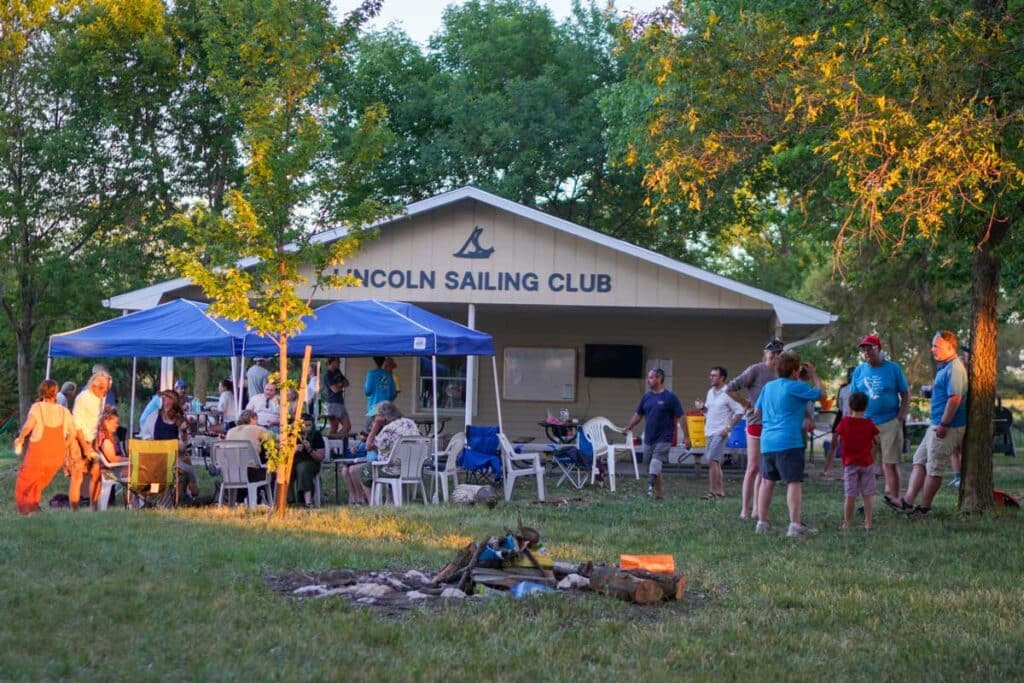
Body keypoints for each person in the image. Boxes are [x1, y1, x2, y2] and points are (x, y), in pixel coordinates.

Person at [888, 330, 967, 516]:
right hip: (936, 424)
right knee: (919, 461)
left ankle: (924, 508)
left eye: (936, 346)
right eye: (933, 345)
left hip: (947, 426)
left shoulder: (955, 368)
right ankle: (907, 502)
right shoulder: (945, 366)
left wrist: (945, 424)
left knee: (934, 468)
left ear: (950, 346)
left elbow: (955, 398)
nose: (932, 349)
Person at [753, 350, 823, 537]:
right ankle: (794, 525)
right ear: (794, 371)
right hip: (789, 442)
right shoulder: (795, 386)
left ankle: (762, 522)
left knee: (767, 482)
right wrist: (814, 374)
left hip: (767, 442)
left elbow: (757, 411)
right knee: (793, 482)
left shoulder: (768, 387)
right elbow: (820, 394)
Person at [850, 334, 910, 507]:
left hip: (889, 422)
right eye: (863, 349)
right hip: (865, 423)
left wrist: (900, 416)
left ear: (879, 349)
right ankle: (866, 500)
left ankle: (895, 499)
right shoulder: (859, 371)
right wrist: (853, 419)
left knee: (890, 463)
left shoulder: (892, 368)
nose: (867, 352)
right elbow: (854, 397)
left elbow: (905, 393)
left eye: (870, 348)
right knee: (865, 464)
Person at [727, 339, 784, 519]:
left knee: (764, 467)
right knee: (752, 466)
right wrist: (745, 402)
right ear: (765, 353)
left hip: (774, 424)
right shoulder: (756, 370)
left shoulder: (782, 374)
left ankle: (757, 509)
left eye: (778, 352)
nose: (775, 355)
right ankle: (745, 508)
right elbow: (730, 388)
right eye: (772, 352)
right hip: (755, 421)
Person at [623, 368, 689, 500]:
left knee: (656, 462)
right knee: (653, 467)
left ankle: (649, 488)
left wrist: (687, 437)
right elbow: (638, 414)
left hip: (664, 437)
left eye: (651, 378)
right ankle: (659, 495)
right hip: (649, 438)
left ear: (659, 379)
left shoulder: (670, 397)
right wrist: (629, 427)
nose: (648, 380)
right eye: (648, 378)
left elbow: (681, 417)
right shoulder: (646, 397)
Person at [13, 380, 77, 514]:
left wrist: (20, 438)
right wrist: (63, 446)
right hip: (56, 457)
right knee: (37, 484)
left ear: (41, 391)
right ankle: (34, 508)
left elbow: (28, 427)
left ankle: (25, 512)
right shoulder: (64, 411)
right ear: (56, 392)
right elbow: (73, 433)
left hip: (38, 455)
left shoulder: (37, 407)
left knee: (24, 483)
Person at [341, 400, 418, 505]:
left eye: (377, 416)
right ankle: (390, 500)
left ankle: (373, 504)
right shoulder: (410, 423)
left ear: (383, 416)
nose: (375, 418)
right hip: (413, 468)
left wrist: (376, 425)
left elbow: (368, 446)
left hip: (394, 470)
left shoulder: (389, 429)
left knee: (363, 471)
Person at [140, 389, 199, 499]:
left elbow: (184, 444)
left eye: (168, 399)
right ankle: (191, 489)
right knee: (187, 464)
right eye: (164, 398)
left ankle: (186, 491)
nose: (165, 401)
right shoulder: (154, 416)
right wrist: (150, 441)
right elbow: (145, 433)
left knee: (186, 461)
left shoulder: (179, 419)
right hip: (156, 457)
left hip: (173, 457)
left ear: (174, 403)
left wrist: (183, 432)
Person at [833, 392, 880, 530]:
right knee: (868, 495)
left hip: (850, 464)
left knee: (850, 495)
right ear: (866, 406)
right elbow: (877, 440)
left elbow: (838, 438)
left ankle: (847, 523)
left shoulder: (844, 422)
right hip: (867, 463)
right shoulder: (869, 423)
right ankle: (868, 523)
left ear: (849, 405)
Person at [69, 371, 110, 510]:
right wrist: (85, 447)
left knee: (96, 474)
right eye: (102, 388)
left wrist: (98, 439)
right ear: (94, 385)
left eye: (107, 389)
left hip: (93, 440)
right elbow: (77, 425)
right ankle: (74, 509)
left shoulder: (101, 399)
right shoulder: (83, 397)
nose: (105, 392)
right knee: (78, 476)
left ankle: (94, 508)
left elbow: (97, 422)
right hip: (79, 439)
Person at [701, 366, 744, 500]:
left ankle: (713, 492)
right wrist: (702, 408)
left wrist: (728, 428)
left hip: (720, 432)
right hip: (709, 431)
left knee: (711, 460)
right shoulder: (710, 392)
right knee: (715, 463)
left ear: (722, 378)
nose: (711, 377)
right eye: (710, 375)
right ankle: (720, 492)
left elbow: (739, 411)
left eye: (714, 375)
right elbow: (709, 411)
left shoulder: (728, 393)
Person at [823, 367, 856, 479]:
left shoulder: (860, 389)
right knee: (836, 444)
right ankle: (828, 468)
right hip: (842, 417)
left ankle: (846, 471)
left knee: (846, 445)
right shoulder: (843, 389)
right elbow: (839, 405)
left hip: (850, 419)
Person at [949, 343, 971, 488]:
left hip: (965, 414)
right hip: (956, 413)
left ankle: (963, 477)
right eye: (963, 353)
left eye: (967, 353)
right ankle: (957, 477)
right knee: (954, 449)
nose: (964, 356)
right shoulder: (957, 369)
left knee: (963, 448)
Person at [290, 423, 325, 508]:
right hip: (294, 462)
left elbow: (320, 457)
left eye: (310, 425)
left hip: (311, 462)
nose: (307, 427)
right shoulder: (292, 435)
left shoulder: (316, 435)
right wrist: (293, 450)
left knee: (303, 467)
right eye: (305, 425)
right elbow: (284, 455)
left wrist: (309, 449)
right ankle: (289, 500)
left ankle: (307, 501)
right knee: (286, 469)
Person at [363, 356, 398, 431]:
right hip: (387, 411)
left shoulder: (371, 374)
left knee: (370, 432)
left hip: (374, 409)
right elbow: (392, 394)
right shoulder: (389, 375)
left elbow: (367, 391)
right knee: (384, 434)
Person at [324, 357, 351, 436]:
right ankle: (329, 444)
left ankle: (334, 441)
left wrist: (340, 384)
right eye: (338, 361)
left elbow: (347, 383)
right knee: (334, 428)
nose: (340, 363)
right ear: (332, 362)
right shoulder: (328, 375)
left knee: (347, 426)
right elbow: (334, 389)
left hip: (340, 402)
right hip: (332, 403)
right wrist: (340, 384)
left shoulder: (338, 371)